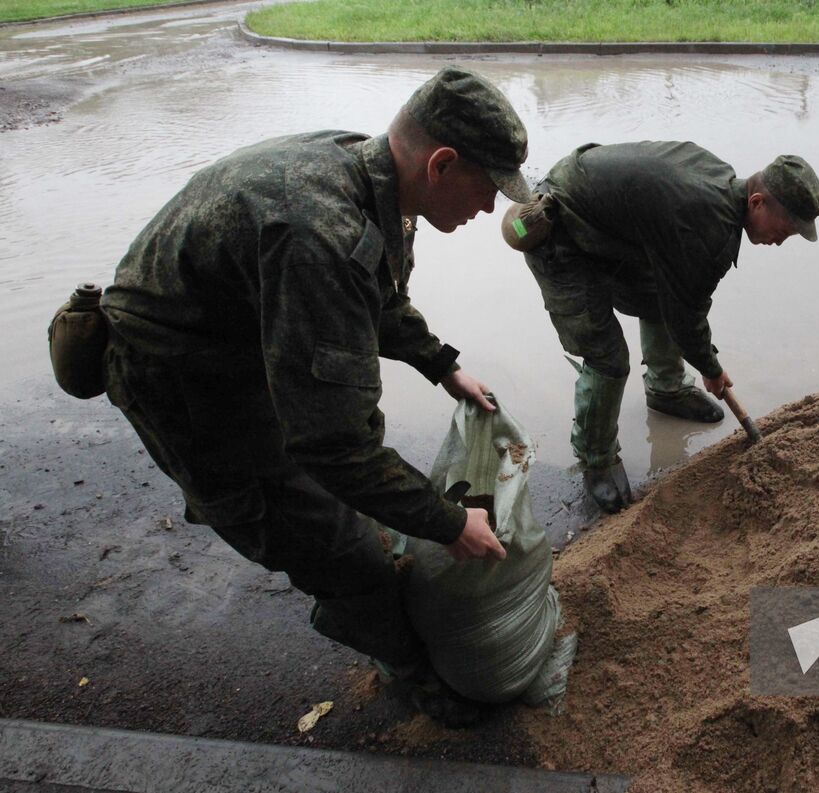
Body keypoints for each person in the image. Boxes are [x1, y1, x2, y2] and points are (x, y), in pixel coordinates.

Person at [99, 66, 530, 725]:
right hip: (183, 379)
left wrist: (439, 363)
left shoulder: (373, 174)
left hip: (244, 336)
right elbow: (331, 445)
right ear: (442, 164)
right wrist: (448, 524)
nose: (491, 208)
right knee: (327, 541)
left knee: (350, 494)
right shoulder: (317, 233)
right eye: (489, 188)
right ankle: (410, 670)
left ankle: (374, 571)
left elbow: (374, 291)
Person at [518, 141, 819, 512]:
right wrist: (711, 369)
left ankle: (666, 389)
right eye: (785, 230)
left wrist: (705, 360)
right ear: (757, 202)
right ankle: (595, 457)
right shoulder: (708, 228)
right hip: (557, 228)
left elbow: (677, 296)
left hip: (606, 221)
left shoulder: (722, 181)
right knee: (607, 357)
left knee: (656, 292)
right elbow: (687, 315)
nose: (780, 242)